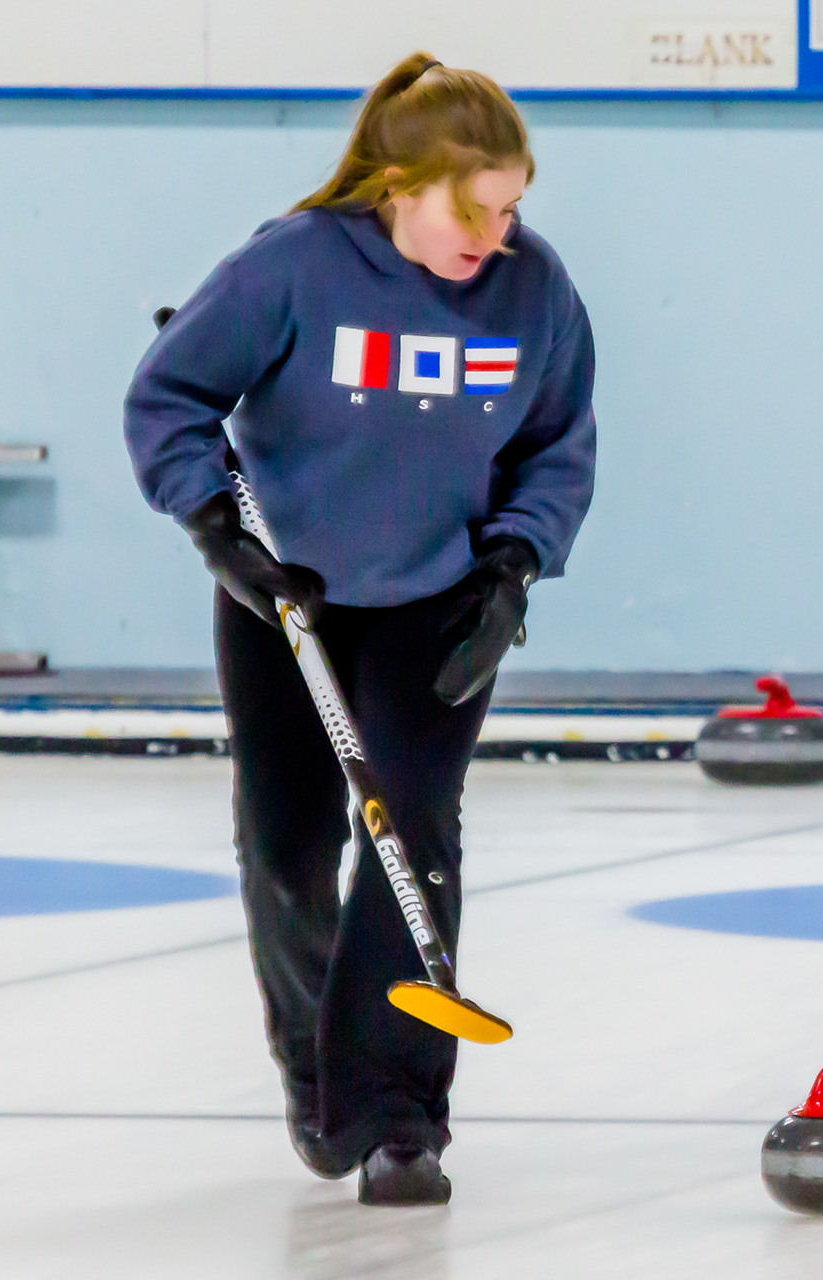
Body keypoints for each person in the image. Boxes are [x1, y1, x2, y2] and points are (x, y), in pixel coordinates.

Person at [123, 52, 596, 1204]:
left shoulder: (535, 289)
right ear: (398, 183)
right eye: (472, 206)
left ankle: (395, 1111)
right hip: (290, 600)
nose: (498, 229)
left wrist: (515, 562)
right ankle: (314, 1064)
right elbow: (169, 396)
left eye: (515, 203)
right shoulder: (292, 267)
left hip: (441, 600)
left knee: (411, 830)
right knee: (287, 845)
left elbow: (558, 441)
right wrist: (213, 527)